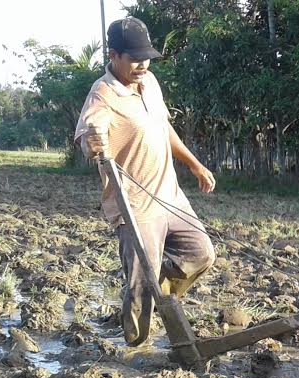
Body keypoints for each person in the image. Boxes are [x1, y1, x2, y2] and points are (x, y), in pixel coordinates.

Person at [75, 17, 217, 346]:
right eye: (135, 58)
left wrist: (194, 165)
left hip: (170, 194)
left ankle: (162, 296)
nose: (143, 64)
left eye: (146, 56)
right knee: (139, 287)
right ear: (114, 55)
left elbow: (163, 128)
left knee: (201, 253)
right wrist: (93, 141)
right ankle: (136, 350)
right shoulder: (103, 93)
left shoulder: (150, 82)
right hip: (135, 206)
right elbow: (87, 134)